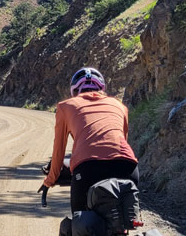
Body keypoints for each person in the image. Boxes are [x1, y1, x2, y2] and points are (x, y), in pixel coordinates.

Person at [38, 67, 139, 213]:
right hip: (127, 167)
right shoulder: (120, 106)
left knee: (81, 220)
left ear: (74, 91)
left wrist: (50, 180)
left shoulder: (65, 107)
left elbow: (59, 150)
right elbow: (121, 141)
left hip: (88, 168)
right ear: (102, 88)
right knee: (123, 219)